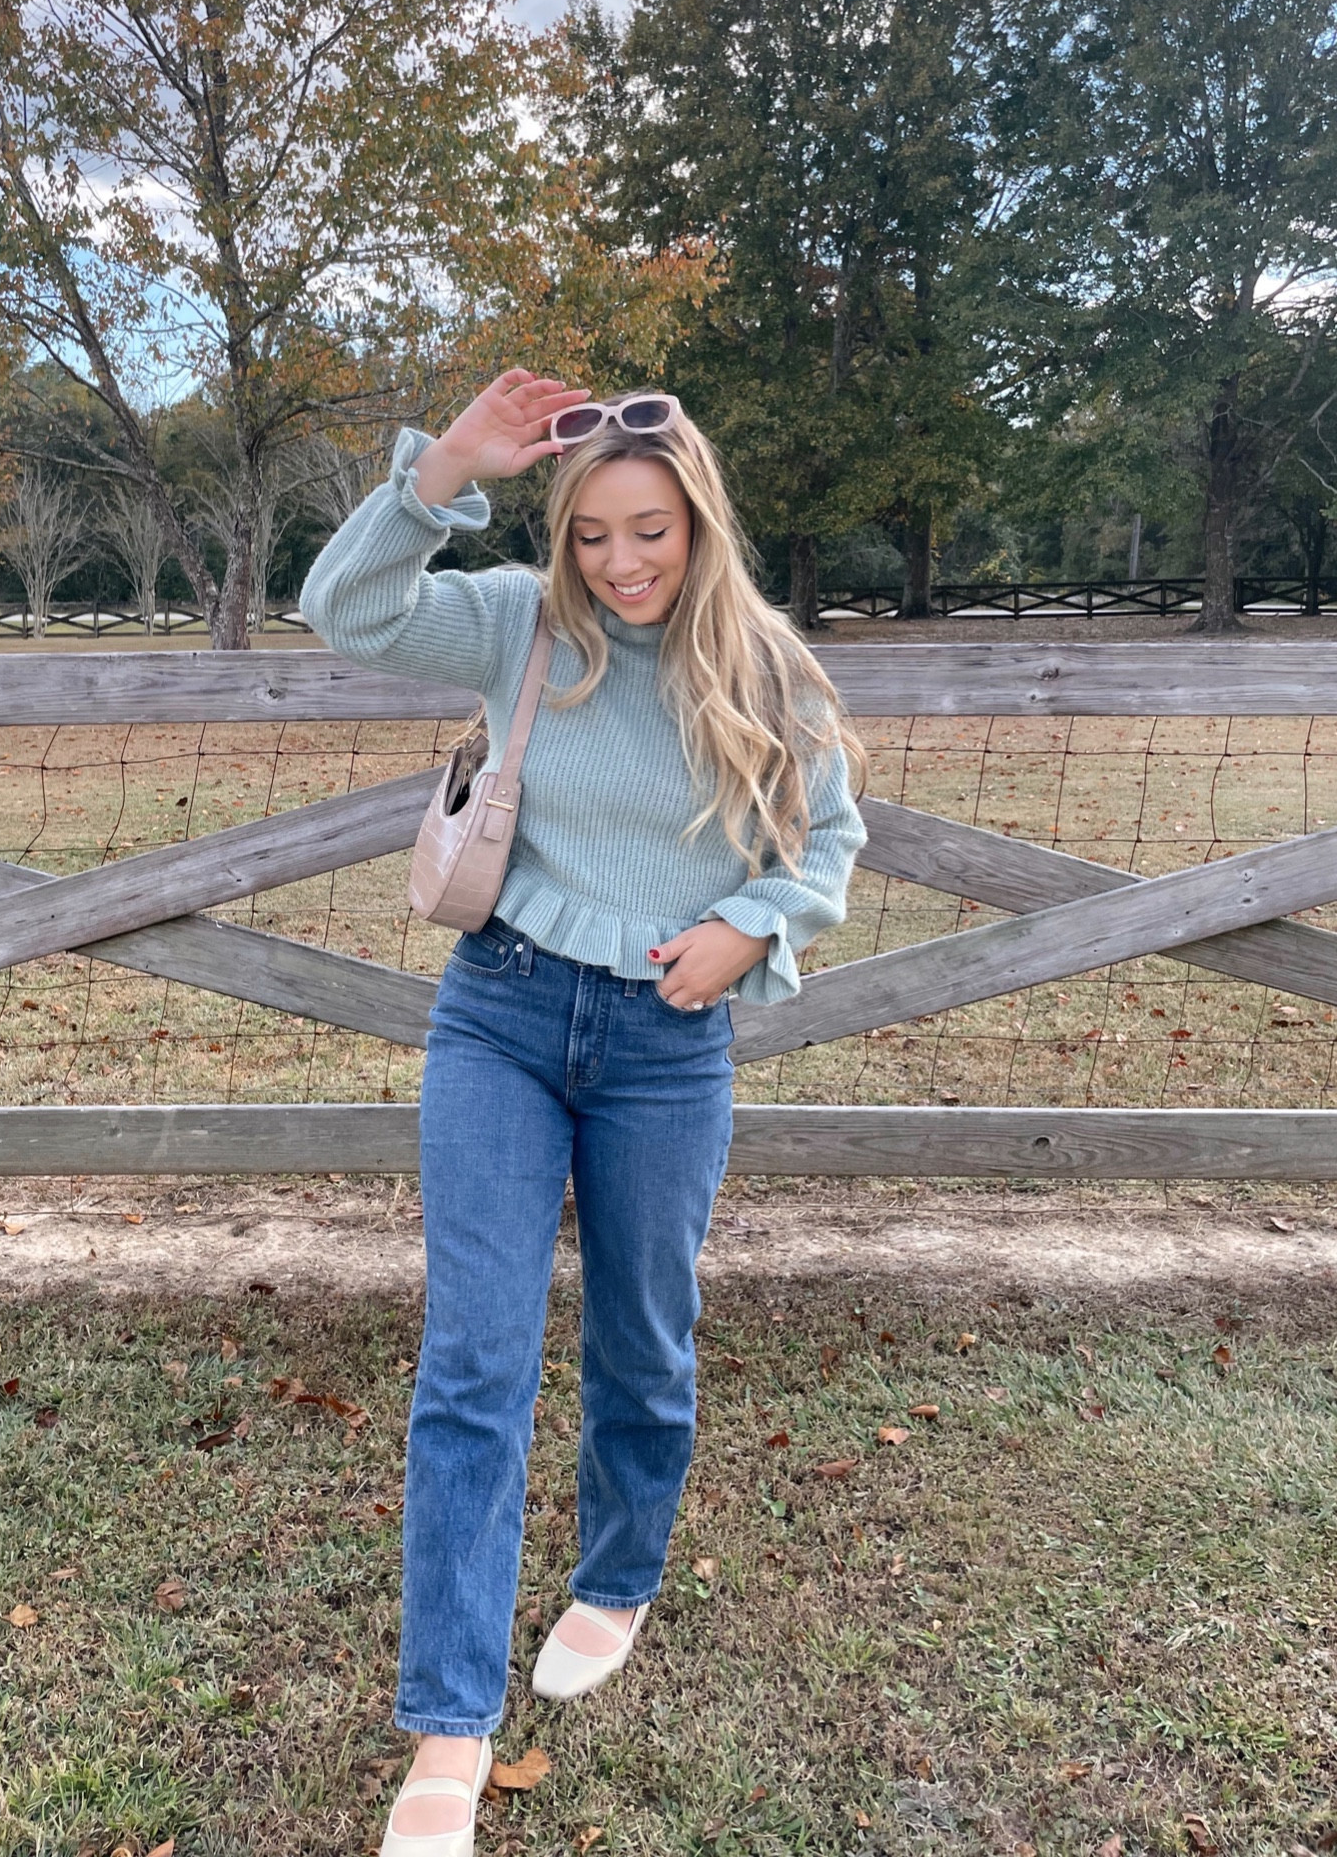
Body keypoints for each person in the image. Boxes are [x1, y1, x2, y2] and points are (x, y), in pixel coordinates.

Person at [300, 370, 868, 1857]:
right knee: (474, 1353)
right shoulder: (515, 623)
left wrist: (757, 924)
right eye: (598, 534)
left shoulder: (765, 666)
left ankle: (615, 1580)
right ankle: (447, 1730)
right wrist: (443, 476)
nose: (625, 562)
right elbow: (343, 612)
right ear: (562, 536)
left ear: (699, 526)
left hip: (668, 1039)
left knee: (643, 1326)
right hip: (500, 1013)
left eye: (654, 532)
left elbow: (830, 840)